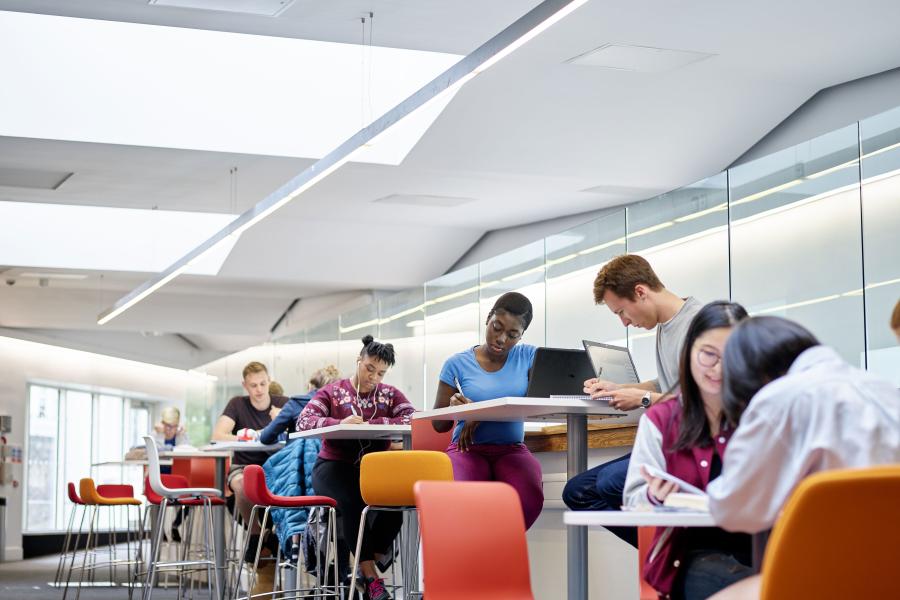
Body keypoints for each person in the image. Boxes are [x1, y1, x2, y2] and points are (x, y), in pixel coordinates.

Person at [703, 316, 900, 600]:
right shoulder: (880, 387)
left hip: (825, 579)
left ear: (748, 375)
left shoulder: (780, 399)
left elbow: (733, 510)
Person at [563, 254, 702, 545]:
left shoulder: (699, 325)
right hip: (667, 440)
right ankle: (668, 556)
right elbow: (668, 383)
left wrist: (643, 399)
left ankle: (685, 556)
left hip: (693, 445)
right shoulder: (666, 326)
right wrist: (621, 388)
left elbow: (704, 403)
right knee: (577, 491)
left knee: (611, 483)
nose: (624, 322)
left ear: (640, 291)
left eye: (621, 312)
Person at [623, 301, 752, 599]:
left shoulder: (760, 412)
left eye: (731, 355)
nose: (718, 368)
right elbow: (633, 499)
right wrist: (656, 494)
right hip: (691, 556)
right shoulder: (662, 418)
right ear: (689, 352)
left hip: (762, 546)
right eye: (708, 354)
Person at [296, 335, 414, 600]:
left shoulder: (389, 394)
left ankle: (367, 561)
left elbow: (412, 418)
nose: (374, 377)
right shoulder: (333, 392)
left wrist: (376, 422)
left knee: (396, 503)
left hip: (374, 469)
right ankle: (370, 576)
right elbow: (304, 422)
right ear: (358, 361)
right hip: (332, 467)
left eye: (381, 373)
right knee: (352, 502)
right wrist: (339, 422)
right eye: (369, 368)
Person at [431, 291, 544, 529]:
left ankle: (496, 552)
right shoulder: (457, 363)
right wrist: (459, 411)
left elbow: (536, 406)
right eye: (497, 327)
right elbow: (438, 424)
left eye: (513, 335)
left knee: (529, 499)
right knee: (463, 502)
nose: (502, 339)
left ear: (521, 336)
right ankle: (475, 556)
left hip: (511, 450)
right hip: (467, 449)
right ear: (488, 319)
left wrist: (480, 413)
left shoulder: (531, 357)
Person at [212, 361, 288, 554]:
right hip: (243, 466)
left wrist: (281, 421)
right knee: (239, 483)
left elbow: (301, 435)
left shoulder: (283, 403)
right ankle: (257, 535)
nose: (259, 390)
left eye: (263, 384)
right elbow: (218, 435)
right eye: (253, 385)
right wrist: (252, 434)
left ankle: (279, 539)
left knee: (293, 487)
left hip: (276, 467)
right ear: (245, 385)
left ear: (269, 381)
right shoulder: (238, 404)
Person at [260, 365, 341, 445]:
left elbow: (265, 438)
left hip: (299, 457)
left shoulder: (295, 404)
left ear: (310, 386)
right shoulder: (343, 408)